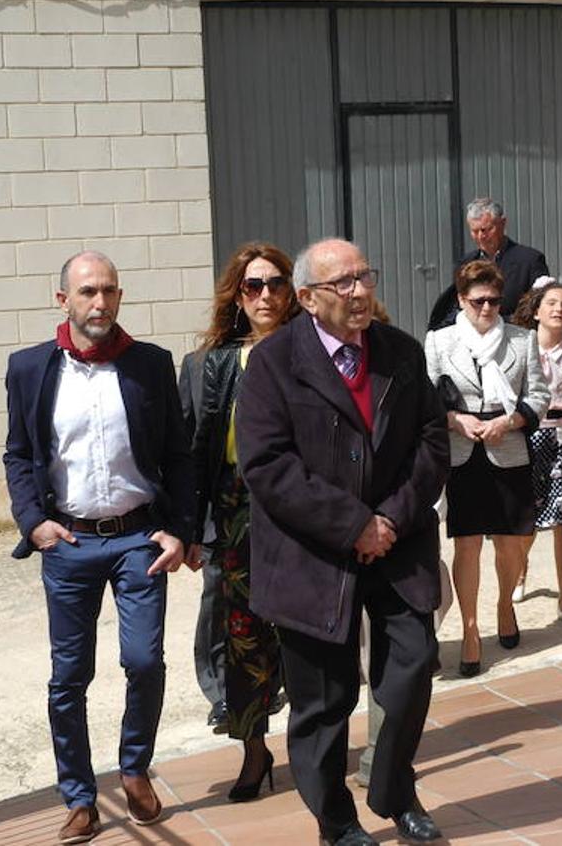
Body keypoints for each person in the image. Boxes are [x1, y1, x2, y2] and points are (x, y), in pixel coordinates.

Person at [236, 239, 450, 846]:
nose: (359, 292)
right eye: (342, 283)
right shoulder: (274, 364)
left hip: (397, 542)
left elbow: (431, 443)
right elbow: (267, 465)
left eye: (365, 277)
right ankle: (336, 822)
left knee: (412, 667)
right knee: (324, 703)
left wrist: (388, 520)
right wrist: (351, 523)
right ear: (306, 298)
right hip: (311, 555)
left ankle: (392, 789)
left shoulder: (401, 353)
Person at [3, 251, 196, 844]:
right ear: (62, 299)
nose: (101, 302)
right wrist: (33, 522)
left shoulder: (150, 365)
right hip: (69, 541)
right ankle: (80, 797)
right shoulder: (30, 368)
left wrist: (180, 529)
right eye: (88, 291)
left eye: (110, 290)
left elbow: (180, 453)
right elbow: (17, 453)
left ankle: (134, 769)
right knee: (69, 676)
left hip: (139, 537)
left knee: (143, 661)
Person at [179, 243, 298, 802]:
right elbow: (190, 451)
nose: (266, 295)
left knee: (306, 630)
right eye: (254, 286)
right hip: (236, 508)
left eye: (276, 283)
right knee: (244, 634)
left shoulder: (314, 351)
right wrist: (189, 527)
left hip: (300, 508)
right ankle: (254, 748)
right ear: (238, 295)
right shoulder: (210, 363)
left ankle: (314, 740)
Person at [424, 260, 551, 676]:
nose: (488, 308)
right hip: (462, 451)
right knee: (467, 544)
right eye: (479, 301)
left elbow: (538, 396)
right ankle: (472, 631)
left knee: (512, 541)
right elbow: (428, 401)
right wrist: (457, 420)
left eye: (495, 300)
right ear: (461, 299)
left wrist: (509, 422)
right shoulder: (440, 342)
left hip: (508, 445)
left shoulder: (522, 339)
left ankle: (503, 605)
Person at [509, 277, 562, 626]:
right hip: (529, 437)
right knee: (527, 521)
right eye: (552, 303)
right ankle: (520, 573)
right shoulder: (520, 349)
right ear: (536, 311)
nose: (559, 309)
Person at [430, 196, 550, 325]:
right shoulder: (465, 263)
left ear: (503, 223)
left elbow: (540, 306)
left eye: (486, 230)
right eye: (474, 231)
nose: (481, 237)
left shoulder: (530, 260)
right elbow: (456, 306)